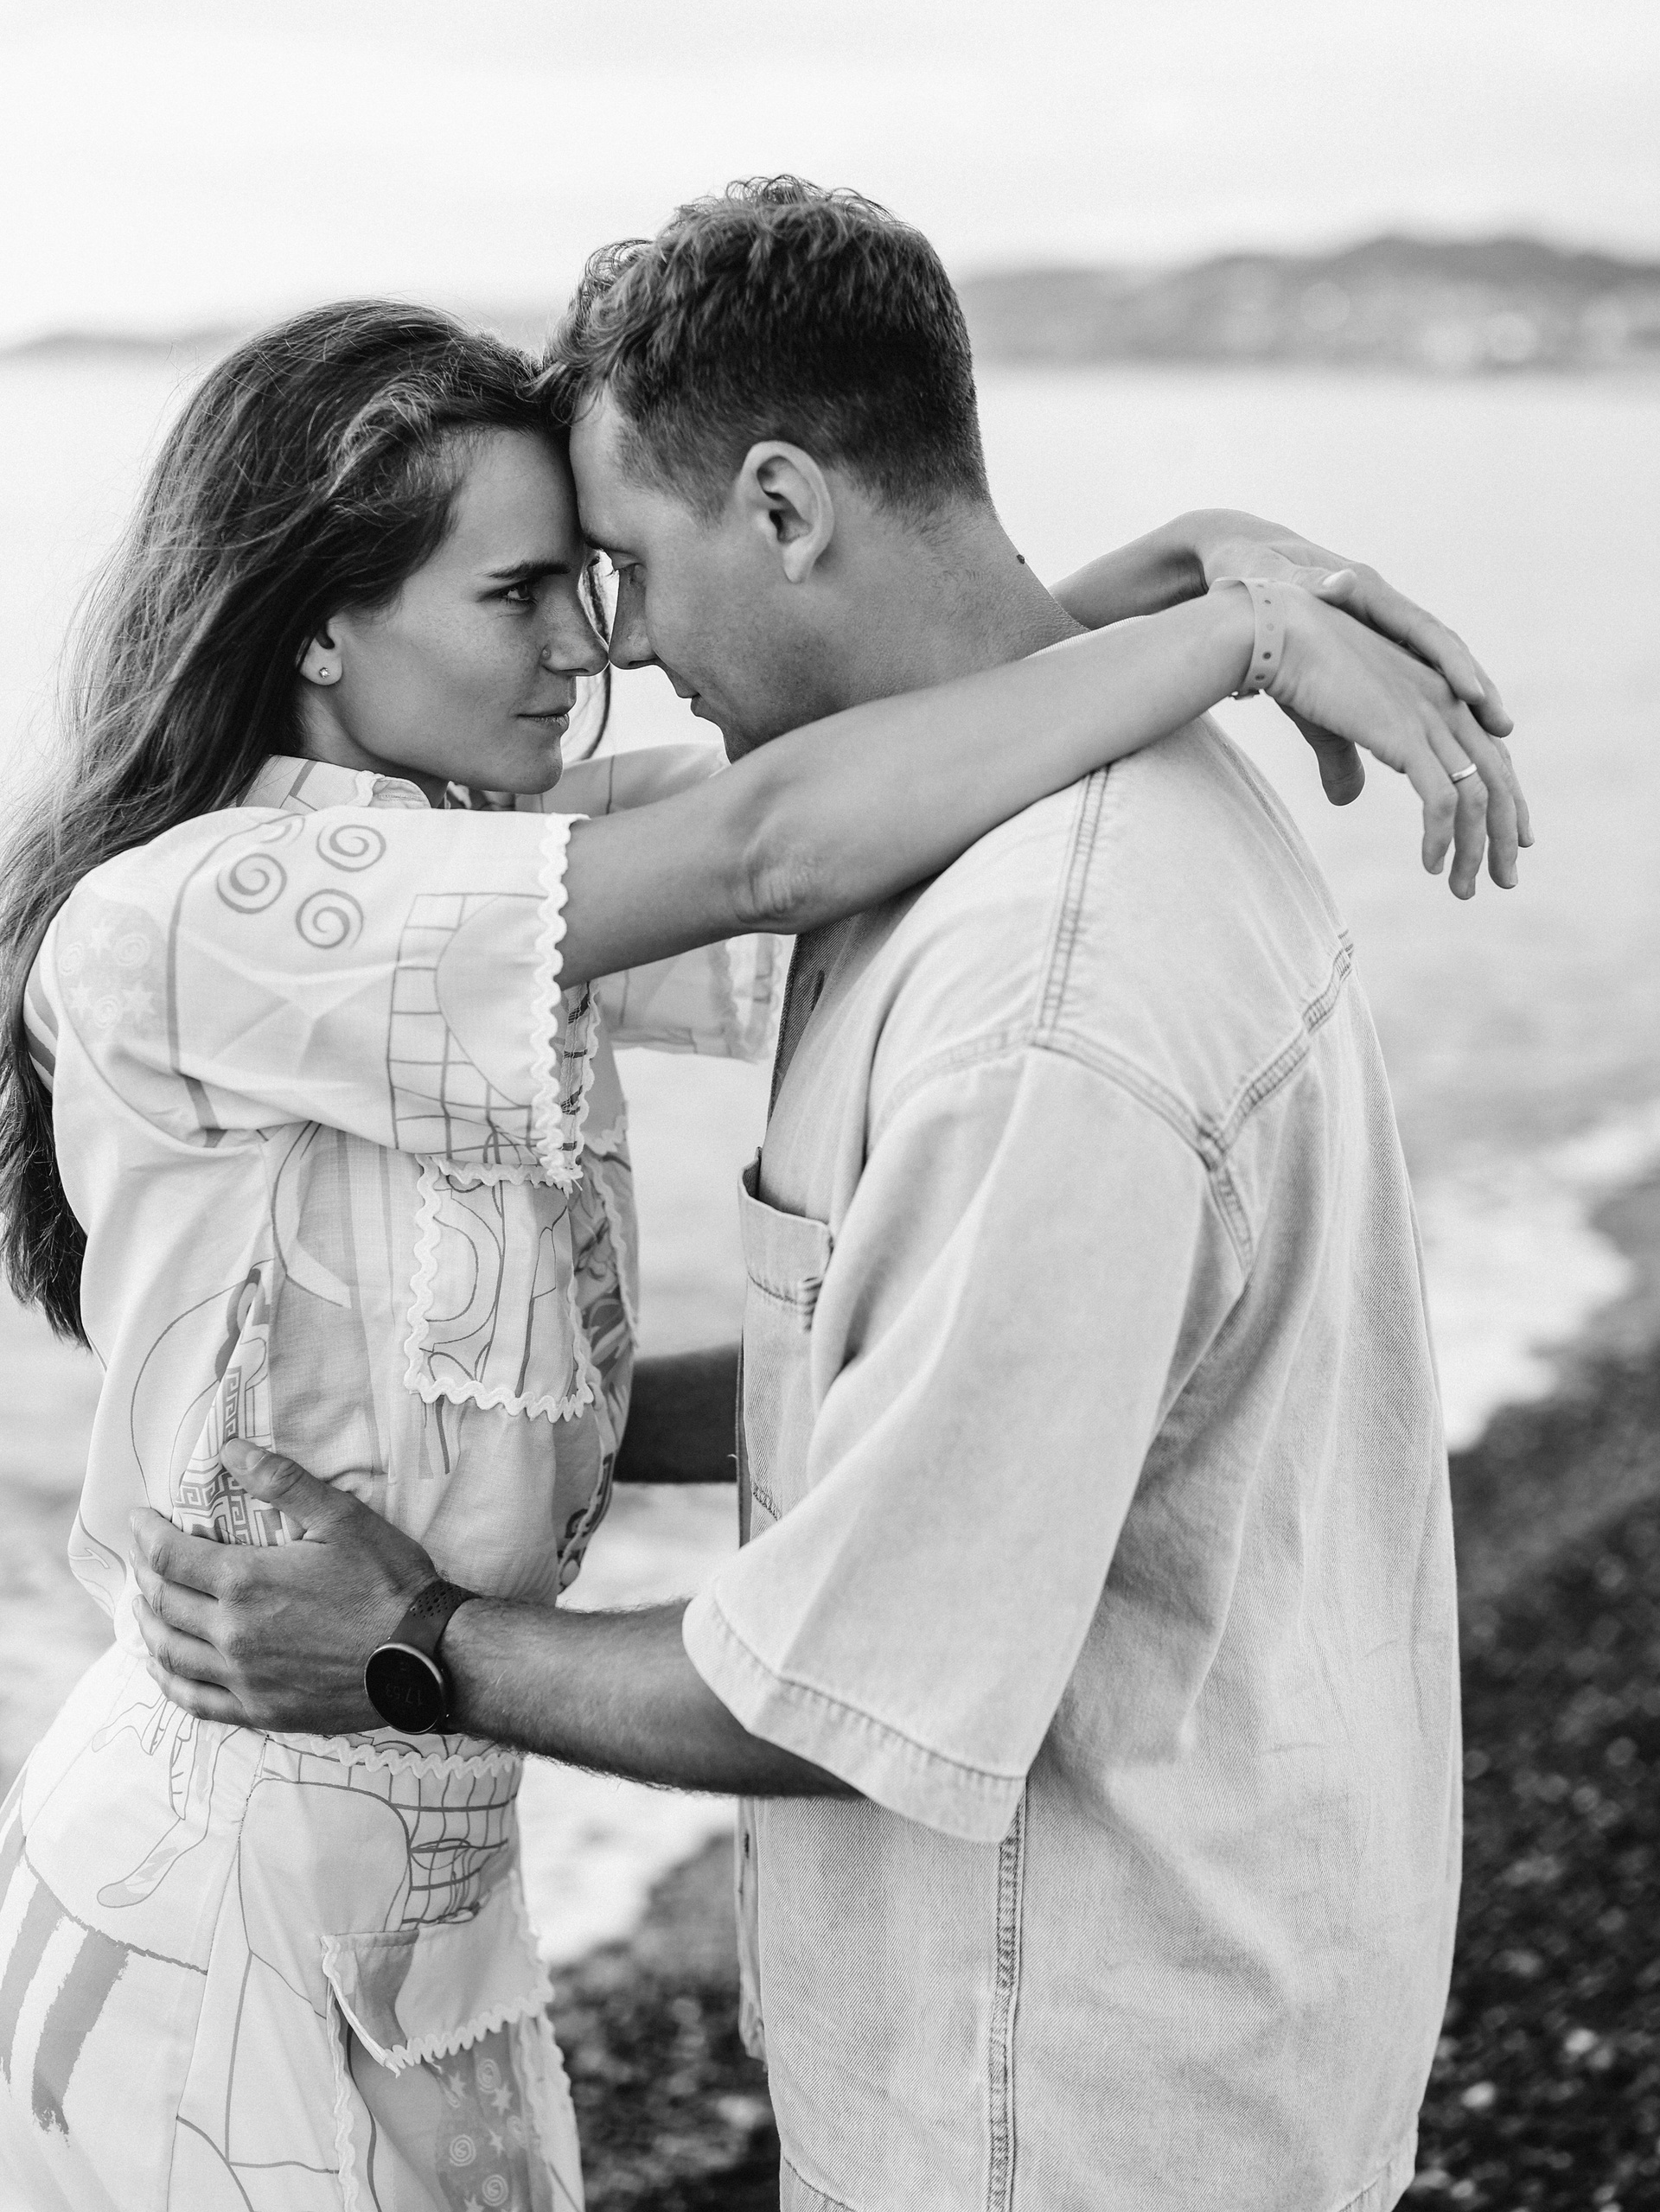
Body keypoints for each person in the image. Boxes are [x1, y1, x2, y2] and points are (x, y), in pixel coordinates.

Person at [0, 289, 1511, 2212]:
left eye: (596, 581)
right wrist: (1238, 636)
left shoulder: (465, 855)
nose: (591, 649)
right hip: (223, 1875)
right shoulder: (212, 909)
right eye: (523, 594)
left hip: (418, 1874)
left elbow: (872, 753)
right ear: (314, 621)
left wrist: (1185, 557)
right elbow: (771, 846)